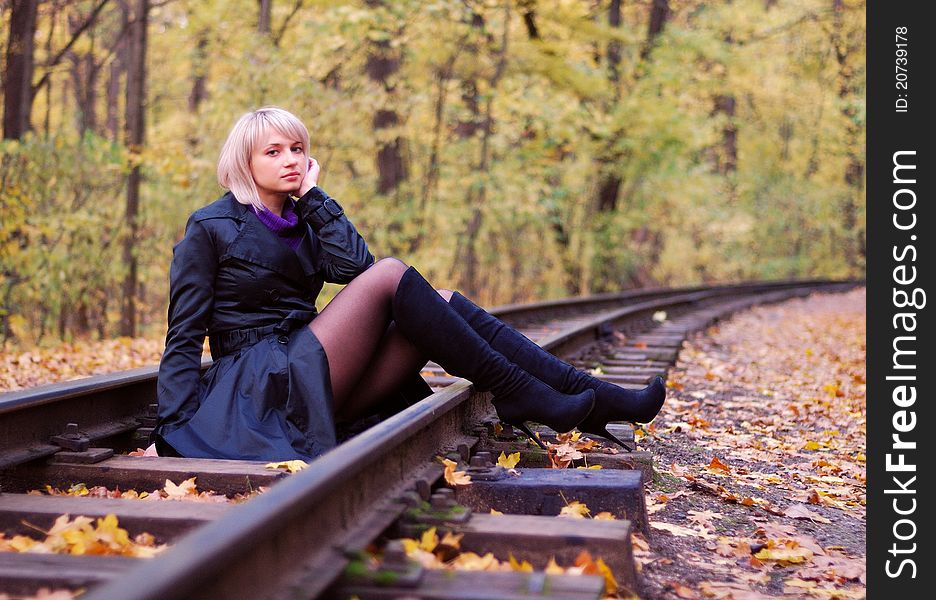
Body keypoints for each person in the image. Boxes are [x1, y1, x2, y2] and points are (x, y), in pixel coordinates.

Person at [152, 106, 666, 461]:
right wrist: (172, 429)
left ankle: (591, 394)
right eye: (273, 152)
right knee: (395, 272)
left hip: (305, 375)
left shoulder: (305, 218)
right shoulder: (211, 227)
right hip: (258, 387)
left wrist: (315, 197)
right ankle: (523, 394)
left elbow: (355, 266)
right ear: (245, 162)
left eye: (297, 149)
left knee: (438, 301)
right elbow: (183, 334)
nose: (289, 159)